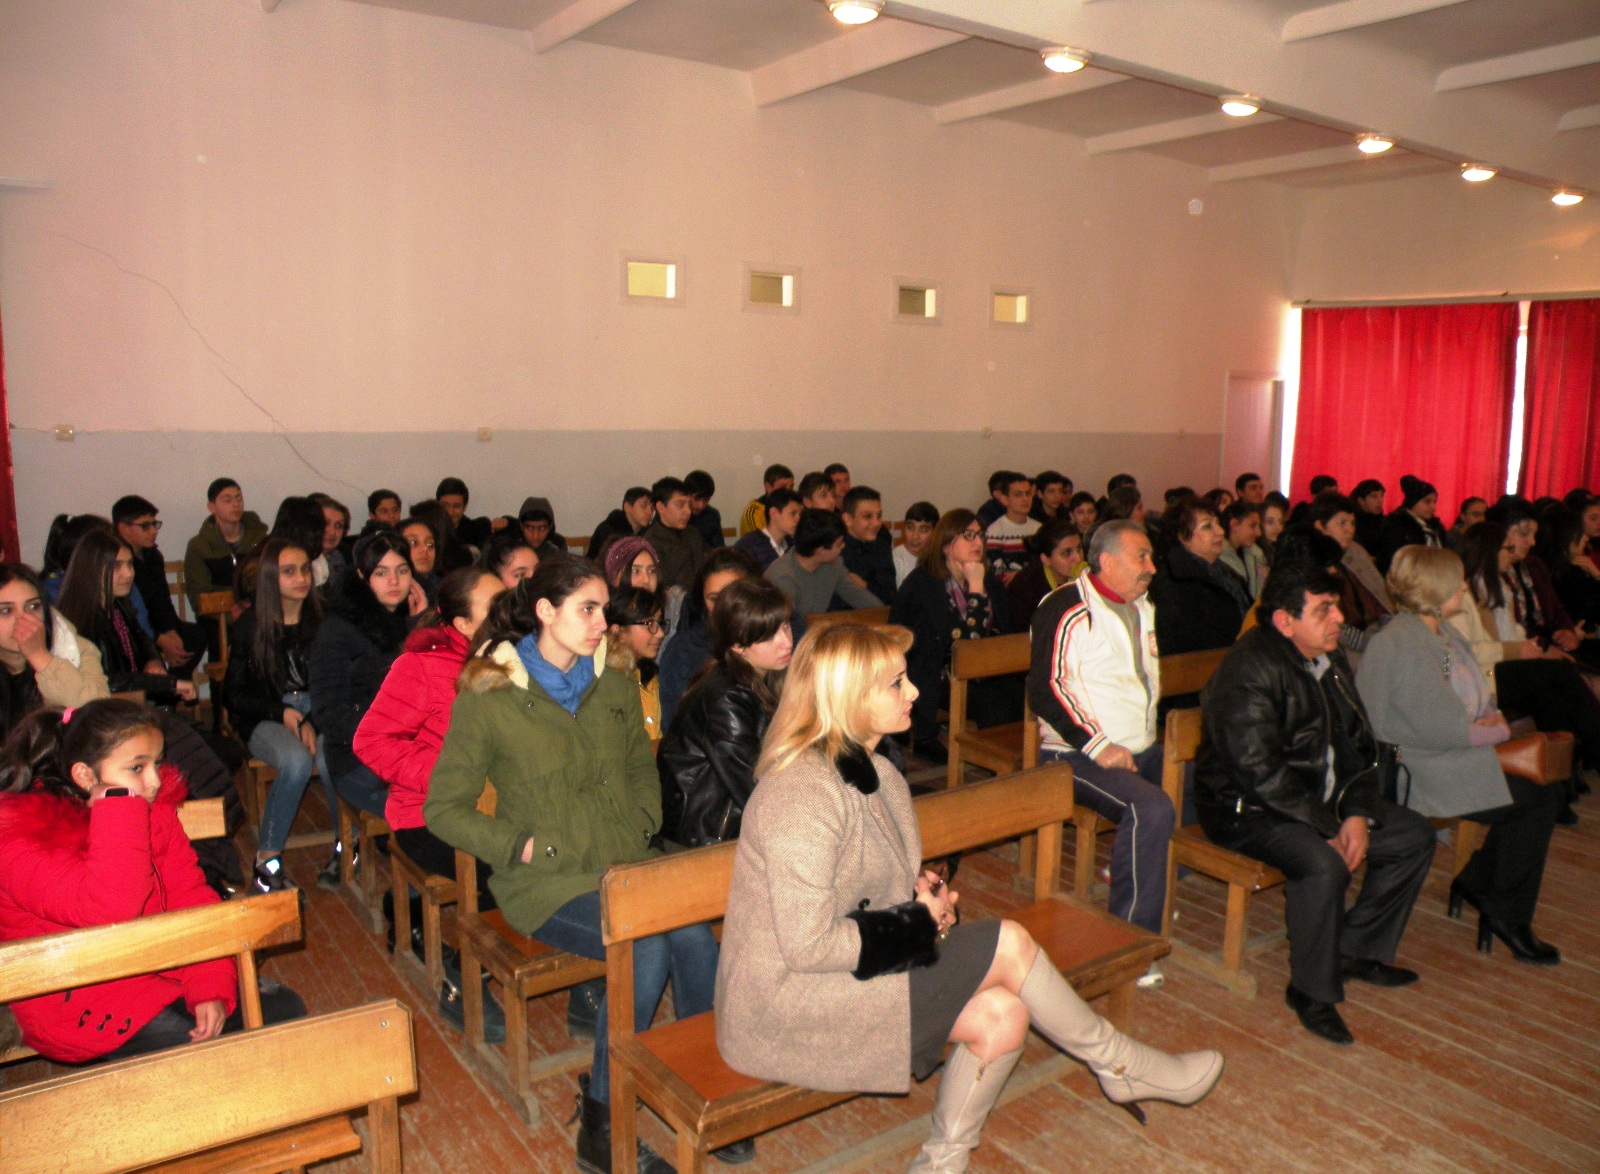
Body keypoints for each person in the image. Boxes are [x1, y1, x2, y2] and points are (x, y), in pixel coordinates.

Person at [716, 623, 1223, 1174]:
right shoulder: (800, 794)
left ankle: (941, 1165)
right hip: (788, 1004)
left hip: (848, 976)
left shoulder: (878, 773)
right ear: (849, 699)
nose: (914, 692)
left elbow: (868, 884)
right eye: (896, 683)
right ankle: (1119, 1064)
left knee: (1004, 1015)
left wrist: (923, 897)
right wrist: (916, 922)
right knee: (1009, 942)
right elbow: (807, 944)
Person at [424, 556, 726, 1174]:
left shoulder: (613, 679)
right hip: (548, 879)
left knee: (695, 938)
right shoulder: (491, 697)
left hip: (625, 861)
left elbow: (641, 762)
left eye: (602, 610)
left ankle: (700, 1091)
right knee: (643, 948)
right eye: (587, 609)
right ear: (544, 611)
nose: (601, 623)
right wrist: (521, 846)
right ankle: (602, 1124)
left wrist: (642, 817)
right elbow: (442, 809)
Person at [1195, 562, 1436, 1045]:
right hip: (1247, 810)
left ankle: (1353, 950)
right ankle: (1310, 991)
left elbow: (1360, 746)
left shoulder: (1328, 657)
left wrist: (1358, 813)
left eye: (1337, 606)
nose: (1339, 619)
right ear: (1284, 621)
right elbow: (1259, 772)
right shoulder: (1249, 669)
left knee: (1413, 837)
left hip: (1315, 800)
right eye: (1324, 610)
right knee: (1323, 864)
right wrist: (1327, 825)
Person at [0, 699, 304, 1063]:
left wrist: (208, 987)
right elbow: (111, 907)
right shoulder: (24, 836)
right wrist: (118, 805)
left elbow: (190, 898)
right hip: (75, 995)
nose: (156, 781)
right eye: (137, 767)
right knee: (209, 1054)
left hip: (156, 970)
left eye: (156, 763)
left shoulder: (154, 814)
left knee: (283, 1008)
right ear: (85, 776)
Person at [1357, 547, 1561, 965]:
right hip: (1416, 769)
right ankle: (1502, 910)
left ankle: (1482, 886)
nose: (1464, 586)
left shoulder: (1442, 632)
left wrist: (1491, 716)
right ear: (1434, 589)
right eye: (1457, 581)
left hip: (1448, 757)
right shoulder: (1400, 641)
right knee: (1535, 798)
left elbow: (1475, 696)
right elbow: (1434, 726)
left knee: (1540, 793)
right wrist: (1497, 730)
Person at [353, 566, 510, 1031]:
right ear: (462, 623)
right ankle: (463, 980)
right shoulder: (420, 666)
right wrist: (447, 778)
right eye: (495, 606)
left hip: (495, 808)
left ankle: (583, 980)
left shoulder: (512, 660)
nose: (508, 612)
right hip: (424, 813)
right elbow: (370, 742)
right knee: (503, 868)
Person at [1028, 520, 1172, 940]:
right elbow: (1045, 689)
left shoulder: (1142, 604)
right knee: (1151, 809)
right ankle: (1131, 939)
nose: (1152, 567)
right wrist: (1098, 745)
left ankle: (1135, 869)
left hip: (1138, 747)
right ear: (1107, 562)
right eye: (1141, 557)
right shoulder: (1067, 606)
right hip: (1074, 755)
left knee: (1205, 782)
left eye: (1150, 556)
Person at [309, 532, 419, 884]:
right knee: (432, 812)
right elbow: (331, 715)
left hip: (412, 750)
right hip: (358, 758)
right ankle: (410, 905)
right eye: (381, 573)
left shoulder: (412, 621)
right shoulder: (338, 629)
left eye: (402, 571)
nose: (394, 582)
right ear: (361, 576)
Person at [657, 577, 792, 848]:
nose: (786, 642)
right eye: (769, 635)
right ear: (737, 645)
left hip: (738, 827)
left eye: (786, 626)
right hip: (705, 838)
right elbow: (755, 786)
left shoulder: (768, 677)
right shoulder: (726, 697)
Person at [223, 538, 322, 892]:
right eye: (289, 571)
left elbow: (337, 684)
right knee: (296, 761)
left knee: (337, 756)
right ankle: (267, 862)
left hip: (318, 709)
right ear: (269, 577)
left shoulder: (323, 620)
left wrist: (314, 720)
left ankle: (349, 848)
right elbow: (233, 695)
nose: (302, 578)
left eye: (306, 569)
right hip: (266, 713)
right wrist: (282, 712)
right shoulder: (251, 625)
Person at [892, 509, 1017, 766]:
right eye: (968, 536)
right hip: (933, 676)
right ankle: (997, 767)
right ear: (946, 545)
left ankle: (1016, 763)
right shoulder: (924, 583)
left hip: (980, 670)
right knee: (994, 704)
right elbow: (961, 645)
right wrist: (977, 589)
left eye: (980, 535)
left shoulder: (987, 579)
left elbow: (1006, 631)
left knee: (1019, 691)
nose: (978, 542)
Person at [56, 530, 197, 706]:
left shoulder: (119, 604)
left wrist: (152, 660)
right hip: (102, 711)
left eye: (130, 564)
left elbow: (142, 637)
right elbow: (106, 680)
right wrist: (164, 684)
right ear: (92, 569)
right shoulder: (80, 620)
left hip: (128, 703)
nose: (128, 573)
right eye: (117, 566)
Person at [0, 563, 108, 737]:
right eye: (6, 611)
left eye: (34, 607)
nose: (23, 620)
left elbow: (98, 717)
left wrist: (40, 656)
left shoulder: (74, 649)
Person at [657, 549, 761, 730]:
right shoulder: (684, 650)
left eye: (733, 595)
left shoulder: (779, 636)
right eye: (714, 598)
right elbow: (675, 725)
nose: (723, 606)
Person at [111, 495, 206, 673]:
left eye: (155, 524)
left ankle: (175, 683)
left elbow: (162, 601)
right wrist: (159, 639)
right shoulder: (114, 561)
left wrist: (171, 631)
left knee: (196, 635)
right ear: (124, 528)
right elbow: (128, 613)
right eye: (145, 526)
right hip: (133, 629)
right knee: (144, 650)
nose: (154, 531)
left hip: (158, 625)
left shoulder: (153, 557)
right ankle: (166, 685)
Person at [1149, 501, 1246, 656]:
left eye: (1218, 524)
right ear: (1183, 537)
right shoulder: (1173, 581)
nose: (1220, 531)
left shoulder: (1225, 572)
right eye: (1207, 526)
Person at [765, 508, 881, 616]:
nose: (843, 546)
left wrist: (883, 615)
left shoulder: (833, 565)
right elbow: (787, 624)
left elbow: (859, 597)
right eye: (839, 544)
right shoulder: (783, 578)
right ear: (820, 550)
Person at [182, 478, 269, 616]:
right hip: (216, 618)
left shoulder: (260, 540)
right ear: (212, 507)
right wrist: (239, 603)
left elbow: (270, 584)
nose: (236, 504)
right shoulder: (199, 546)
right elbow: (199, 598)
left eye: (239, 499)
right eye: (227, 500)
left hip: (257, 615)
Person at [603, 585, 666, 745]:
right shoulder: (606, 681)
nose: (660, 633)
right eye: (649, 623)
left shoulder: (648, 675)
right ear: (618, 629)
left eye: (659, 623)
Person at [1005, 517, 1083, 632]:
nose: (1078, 558)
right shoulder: (1025, 586)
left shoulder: (1086, 576)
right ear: (1045, 559)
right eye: (1067, 552)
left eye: (1079, 549)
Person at [641, 476, 710, 595]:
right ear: (661, 507)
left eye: (689, 505)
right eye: (680, 505)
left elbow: (709, 561)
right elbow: (667, 587)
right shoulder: (651, 542)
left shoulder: (692, 532)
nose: (688, 511)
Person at [1377, 474, 1446, 572]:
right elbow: (1392, 559)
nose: (1433, 507)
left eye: (1434, 502)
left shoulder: (1436, 527)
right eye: (1427, 502)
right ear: (1413, 502)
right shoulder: (1396, 525)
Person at [839, 486, 895, 605]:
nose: (876, 523)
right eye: (867, 516)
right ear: (847, 519)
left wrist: (864, 585)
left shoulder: (882, 547)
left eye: (879, 516)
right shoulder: (835, 550)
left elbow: (891, 595)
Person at [983, 473, 1039, 584]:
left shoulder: (1040, 529)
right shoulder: (993, 533)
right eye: (1018, 494)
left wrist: (1023, 573)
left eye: (1028, 493)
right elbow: (995, 573)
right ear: (1005, 499)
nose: (1025, 499)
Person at [733, 486, 801, 572]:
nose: (798, 519)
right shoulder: (749, 547)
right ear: (773, 513)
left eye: (800, 514)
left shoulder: (793, 545)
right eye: (793, 513)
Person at [588, 486, 654, 564]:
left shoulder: (649, 533)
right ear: (627, 507)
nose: (649, 512)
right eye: (643, 506)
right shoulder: (609, 530)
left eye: (652, 508)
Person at [1218, 500, 1266, 602]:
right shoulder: (1218, 557)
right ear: (1234, 524)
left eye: (1259, 526)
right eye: (1252, 526)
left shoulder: (1253, 554)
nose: (1259, 533)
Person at [436, 476, 495, 550]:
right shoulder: (428, 530)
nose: (450, 512)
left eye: (456, 506)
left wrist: (506, 521)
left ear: (465, 507)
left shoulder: (477, 531)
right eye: (445, 505)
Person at [737, 463, 794, 538]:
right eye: (783, 487)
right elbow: (759, 541)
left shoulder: (793, 508)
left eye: (791, 487)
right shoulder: (753, 513)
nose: (788, 491)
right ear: (768, 487)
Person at [894, 501, 939, 589]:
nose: (915, 536)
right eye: (910, 528)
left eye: (923, 530)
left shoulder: (938, 560)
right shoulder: (896, 561)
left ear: (935, 532)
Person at [310, 493, 354, 577]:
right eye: (325, 523)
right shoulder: (293, 559)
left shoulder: (347, 558)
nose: (332, 532)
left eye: (338, 525)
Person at [399, 515, 441, 599]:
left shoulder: (445, 588)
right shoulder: (392, 590)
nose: (425, 548)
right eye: (414, 543)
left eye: (430, 544)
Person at [683, 469, 726, 550]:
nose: (701, 506)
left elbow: (718, 550)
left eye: (706, 500)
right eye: (696, 499)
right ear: (686, 494)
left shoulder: (711, 515)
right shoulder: (673, 514)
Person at [1350, 479, 1386, 556]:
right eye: (1374, 496)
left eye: (1381, 496)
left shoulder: (1386, 521)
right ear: (1361, 501)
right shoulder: (1352, 522)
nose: (1380, 501)